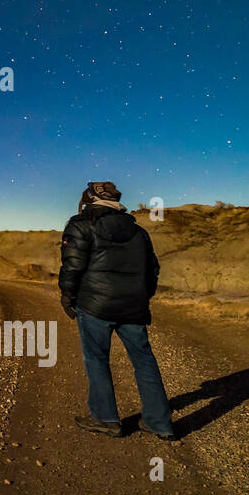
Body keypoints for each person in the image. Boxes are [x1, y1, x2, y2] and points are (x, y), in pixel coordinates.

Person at [58, 181, 177, 440]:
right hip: (133, 307)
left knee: (97, 360)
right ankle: (159, 422)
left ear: (90, 198)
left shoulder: (80, 224)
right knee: (144, 361)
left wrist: (67, 296)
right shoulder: (138, 231)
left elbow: (72, 266)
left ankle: (105, 418)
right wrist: (141, 296)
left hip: (95, 306)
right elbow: (152, 269)